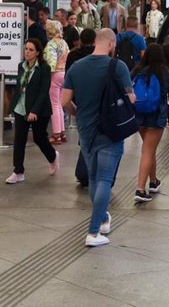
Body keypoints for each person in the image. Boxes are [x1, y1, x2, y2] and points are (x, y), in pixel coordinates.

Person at [61, 29, 135, 247]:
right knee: (104, 179)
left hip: (86, 130)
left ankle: (102, 219)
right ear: (111, 44)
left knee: (93, 178)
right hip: (110, 130)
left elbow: (64, 101)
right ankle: (93, 232)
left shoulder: (77, 67)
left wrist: (79, 113)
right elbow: (131, 98)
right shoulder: (118, 67)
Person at [132, 44, 169, 203]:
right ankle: (140, 189)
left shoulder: (137, 71)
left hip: (139, 115)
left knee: (149, 148)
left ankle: (153, 181)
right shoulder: (164, 73)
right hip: (156, 116)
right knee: (148, 151)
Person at [6, 39, 60, 184]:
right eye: (26, 49)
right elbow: (19, 88)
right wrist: (12, 106)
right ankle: (18, 171)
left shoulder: (44, 68)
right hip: (21, 108)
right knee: (19, 139)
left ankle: (53, 157)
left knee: (39, 138)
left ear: (37, 52)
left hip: (39, 110)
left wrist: (34, 110)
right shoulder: (21, 66)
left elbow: (43, 91)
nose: (27, 52)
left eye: (31, 50)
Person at [44, 20, 70, 145]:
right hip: (64, 73)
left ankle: (56, 134)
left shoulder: (51, 44)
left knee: (54, 104)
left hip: (55, 74)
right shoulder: (64, 43)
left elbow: (50, 63)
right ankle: (62, 132)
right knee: (59, 104)